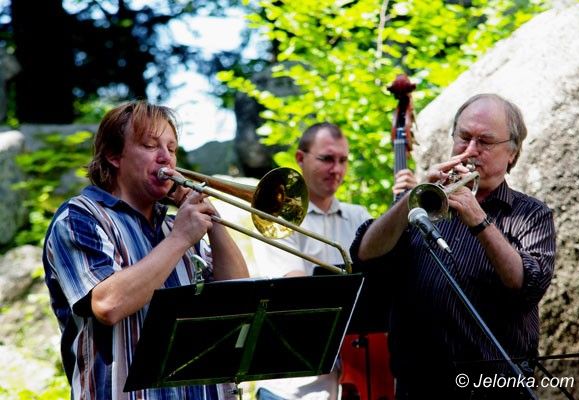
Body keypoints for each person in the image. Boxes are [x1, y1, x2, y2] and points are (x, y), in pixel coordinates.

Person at [350, 93, 556, 399]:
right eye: (464, 137)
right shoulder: (421, 206)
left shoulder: (531, 214)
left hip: (493, 390)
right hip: (418, 388)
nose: (470, 150)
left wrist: (478, 219)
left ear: (512, 153)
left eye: (485, 142)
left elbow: (528, 285)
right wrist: (413, 198)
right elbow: (365, 254)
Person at [42, 100, 249, 399]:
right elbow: (108, 304)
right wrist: (180, 239)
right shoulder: (79, 218)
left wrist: (212, 220)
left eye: (172, 149)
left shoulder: (176, 226)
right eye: (150, 146)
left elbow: (239, 296)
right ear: (114, 155)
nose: (166, 158)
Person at [254, 122, 372, 399]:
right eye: (327, 159)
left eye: (343, 160)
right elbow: (296, 292)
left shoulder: (359, 216)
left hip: (352, 379)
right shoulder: (277, 220)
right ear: (300, 158)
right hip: (290, 385)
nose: (337, 169)